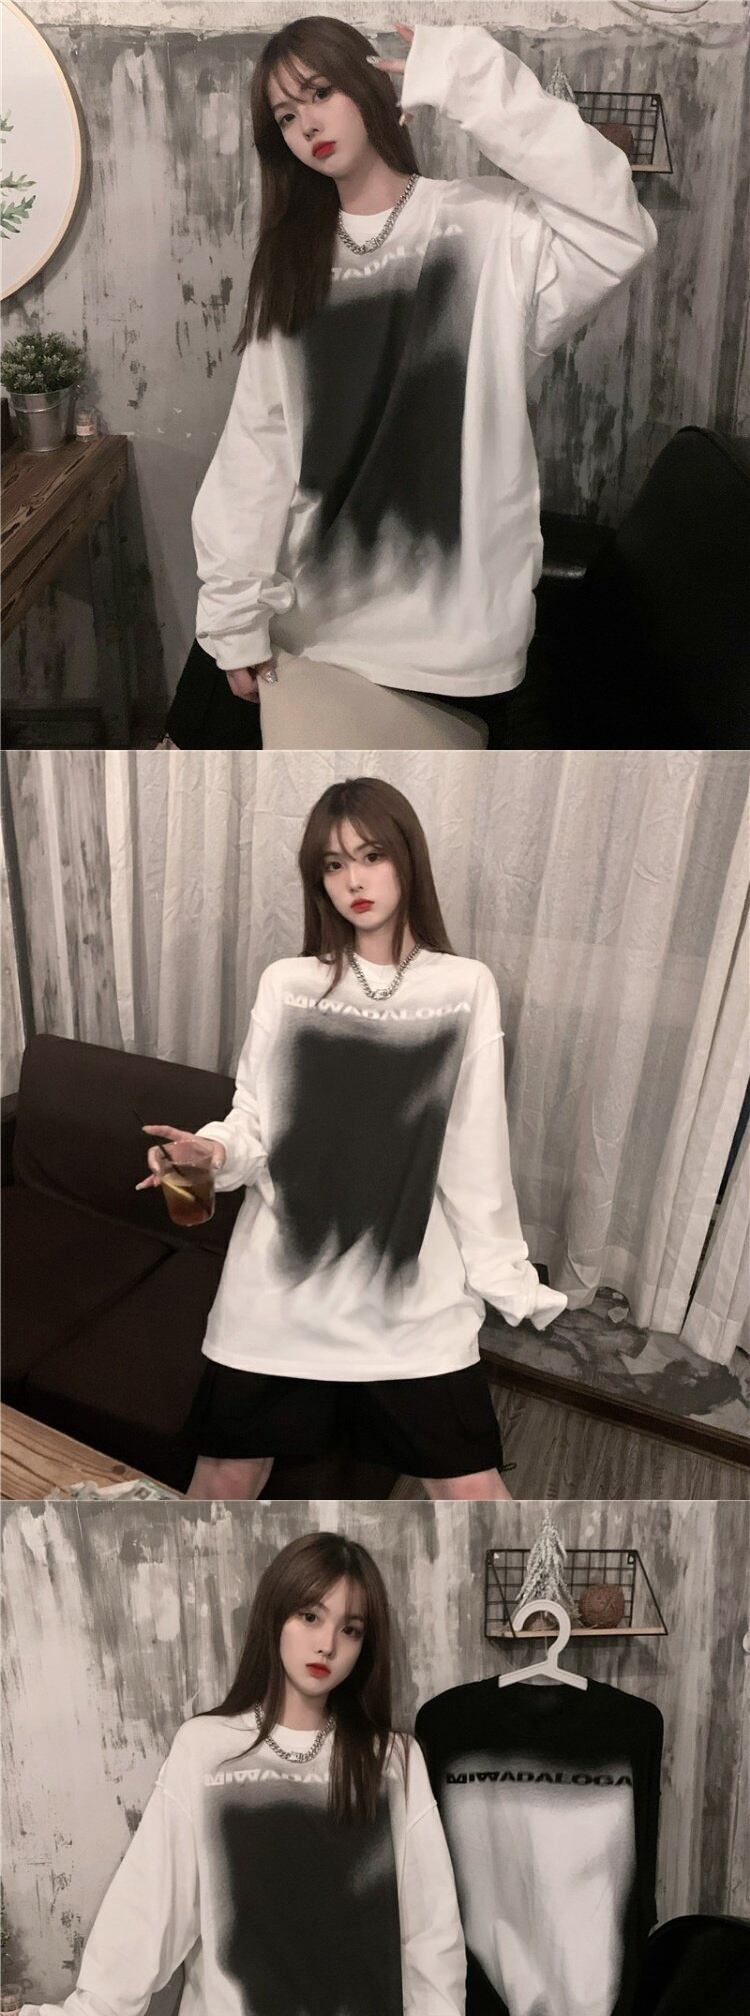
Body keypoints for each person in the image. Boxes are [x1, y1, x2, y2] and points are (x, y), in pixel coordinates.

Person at [166, 15, 657, 750]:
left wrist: (470, 78)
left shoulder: (489, 227)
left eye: (320, 93)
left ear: (367, 86)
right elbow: (259, 446)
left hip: (452, 637)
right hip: (313, 622)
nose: (308, 125)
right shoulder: (292, 261)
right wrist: (235, 615)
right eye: (286, 116)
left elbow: (615, 226)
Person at [0, 1532, 495, 2016]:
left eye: (351, 1628)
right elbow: (150, 1913)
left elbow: (429, 1940)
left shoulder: (391, 1760)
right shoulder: (207, 1748)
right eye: (310, 1616)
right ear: (275, 1617)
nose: (327, 1643)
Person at [136, 776, 566, 1500]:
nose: (354, 881)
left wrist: (502, 1273)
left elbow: (475, 1151)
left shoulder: (465, 987)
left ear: (407, 858)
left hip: (409, 1292)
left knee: (471, 1492)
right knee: (224, 1479)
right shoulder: (288, 983)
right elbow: (255, 1118)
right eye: (334, 865)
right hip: (279, 1289)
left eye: (371, 856)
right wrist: (212, 1151)